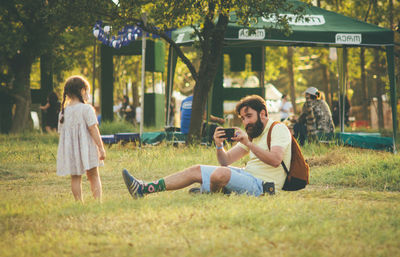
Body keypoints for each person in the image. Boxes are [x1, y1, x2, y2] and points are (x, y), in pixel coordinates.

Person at [122, 94, 292, 198]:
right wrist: (219, 146)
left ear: (263, 113)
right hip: (247, 177)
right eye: (243, 118)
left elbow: (276, 160)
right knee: (196, 169)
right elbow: (225, 161)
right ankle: (144, 188)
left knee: (221, 174)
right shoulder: (255, 134)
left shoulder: (278, 129)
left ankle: (210, 192)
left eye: (249, 116)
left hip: (263, 187)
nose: (246, 122)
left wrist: (247, 143)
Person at [57, 76, 106, 202]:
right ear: (82, 91)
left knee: (75, 177)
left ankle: (79, 203)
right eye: (87, 91)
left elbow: (61, 132)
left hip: (71, 150)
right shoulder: (87, 109)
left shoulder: (63, 112)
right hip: (87, 148)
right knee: (94, 175)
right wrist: (100, 147)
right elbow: (93, 129)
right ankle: (97, 202)